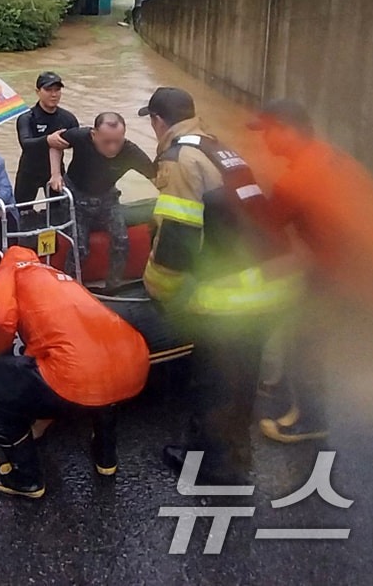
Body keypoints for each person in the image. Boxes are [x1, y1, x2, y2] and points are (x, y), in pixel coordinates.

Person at [139, 87, 300, 485]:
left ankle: (216, 467)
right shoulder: (219, 148)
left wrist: (157, 287)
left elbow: (177, 233)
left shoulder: (179, 158)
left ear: (158, 122)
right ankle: (232, 452)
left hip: (231, 292)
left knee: (214, 380)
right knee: (241, 379)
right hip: (268, 281)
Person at [0, 246, 151, 498]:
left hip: (80, 372)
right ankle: (106, 457)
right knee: (94, 371)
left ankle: (25, 477)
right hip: (133, 359)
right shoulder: (55, 276)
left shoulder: (8, 271)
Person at [247, 99, 336, 444]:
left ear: (287, 130)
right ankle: (279, 382)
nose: (264, 140)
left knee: (305, 344)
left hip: (328, 274)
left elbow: (266, 226)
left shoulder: (296, 180)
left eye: (268, 131)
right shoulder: (327, 155)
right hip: (336, 264)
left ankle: (311, 420)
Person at [48, 112, 157, 289]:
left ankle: (113, 286)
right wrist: (55, 174)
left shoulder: (130, 151)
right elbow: (55, 144)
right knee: (81, 247)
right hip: (77, 194)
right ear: (94, 134)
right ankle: (69, 286)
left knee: (121, 240)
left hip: (107, 196)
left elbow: (156, 178)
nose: (112, 148)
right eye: (106, 142)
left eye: (117, 141)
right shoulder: (82, 136)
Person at [14, 72, 78, 204]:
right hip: (29, 171)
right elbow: (26, 143)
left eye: (57, 90)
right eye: (48, 90)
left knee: (59, 210)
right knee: (21, 210)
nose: (54, 94)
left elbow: (79, 145)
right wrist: (48, 140)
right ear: (38, 91)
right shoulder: (26, 118)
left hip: (56, 172)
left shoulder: (68, 119)